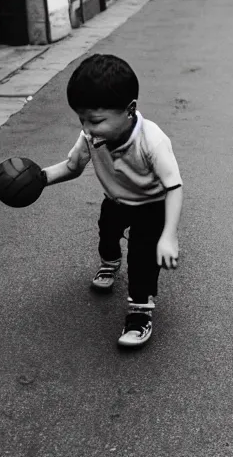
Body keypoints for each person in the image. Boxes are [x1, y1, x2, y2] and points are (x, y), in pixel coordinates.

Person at [41, 54, 183, 348]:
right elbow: (71, 167)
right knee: (107, 235)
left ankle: (140, 313)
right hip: (116, 200)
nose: (88, 128)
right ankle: (110, 262)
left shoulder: (152, 141)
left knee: (143, 259)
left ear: (129, 110)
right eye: (82, 119)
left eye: (95, 120)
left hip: (151, 205)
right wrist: (39, 179)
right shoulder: (91, 136)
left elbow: (174, 187)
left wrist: (168, 235)